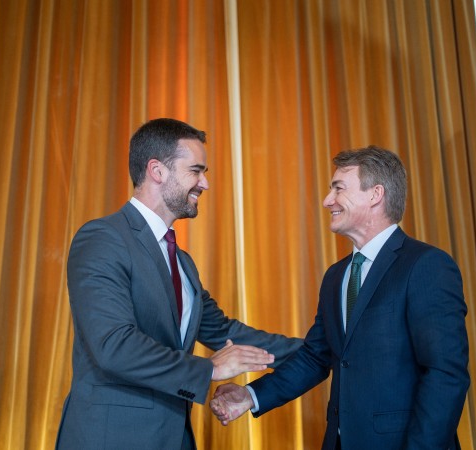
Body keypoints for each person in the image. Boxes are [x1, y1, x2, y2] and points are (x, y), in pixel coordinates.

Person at [56, 118, 302, 450]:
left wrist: (320, 350)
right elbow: (113, 346)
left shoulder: (182, 261)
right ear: (157, 171)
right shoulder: (102, 238)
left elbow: (225, 332)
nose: (205, 183)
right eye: (196, 171)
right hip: (112, 437)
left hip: (175, 438)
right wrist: (207, 370)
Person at [210, 146, 470, 449]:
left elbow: (445, 374)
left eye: (338, 189)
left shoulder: (426, 265)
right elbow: (315, 357)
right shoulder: (336, 276)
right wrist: (251, 396)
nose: (327, 200)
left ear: (375, 194)